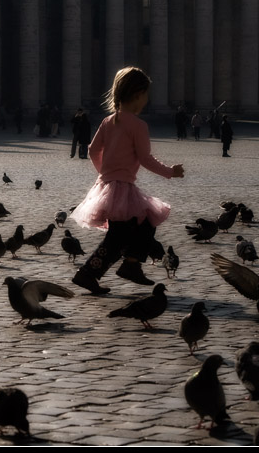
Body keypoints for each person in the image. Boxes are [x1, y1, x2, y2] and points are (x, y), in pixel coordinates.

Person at [69, 66, 185, 294]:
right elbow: (145, 158)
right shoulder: (138, 126)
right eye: (146, 95)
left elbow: (93, 150)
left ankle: (110, 269)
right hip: (121, 188)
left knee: (122, 234)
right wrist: (170, 171)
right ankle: (118, 267)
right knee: (140, 225)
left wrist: (106, 173)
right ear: (137, 95)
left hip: (106, 186)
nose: (146, 100)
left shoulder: (108, 121)